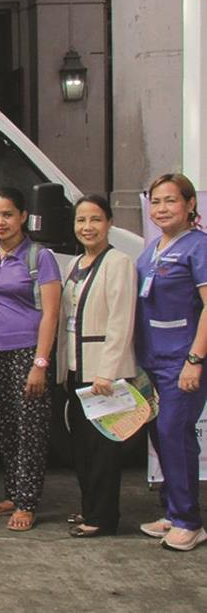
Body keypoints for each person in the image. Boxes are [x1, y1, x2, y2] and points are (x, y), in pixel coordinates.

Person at [0, 188, 61, 532]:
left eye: (8, 215)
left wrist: (40, 363)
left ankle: (27, 502)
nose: (1, 222)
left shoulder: (40, 257)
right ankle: (14, 492)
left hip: (28, 352)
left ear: (23, 216)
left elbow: (51, 313)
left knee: (31, 430)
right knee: (7, 427)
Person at [57, 195, 137, 538]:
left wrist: (109, 371)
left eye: (95, 220)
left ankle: (103, 518)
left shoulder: (118, 262)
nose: (87, 227)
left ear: (109, 223)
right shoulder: (75, 264)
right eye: (80, 221)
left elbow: (121, 321)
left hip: (103, 372)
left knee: (103, 448)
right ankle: (90, 506)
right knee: (82, 448)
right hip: (76, 368)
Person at [135, 174, 207, 551]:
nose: (161, 209)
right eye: (156, 201)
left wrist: (195, 359)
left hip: (183, 358)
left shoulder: (199, 247)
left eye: (170, 201)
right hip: (153, 359)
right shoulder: (153, 248)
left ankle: (188, 521)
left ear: (190, 204)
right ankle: (174, 510)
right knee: (162, 435)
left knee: (173, 433)